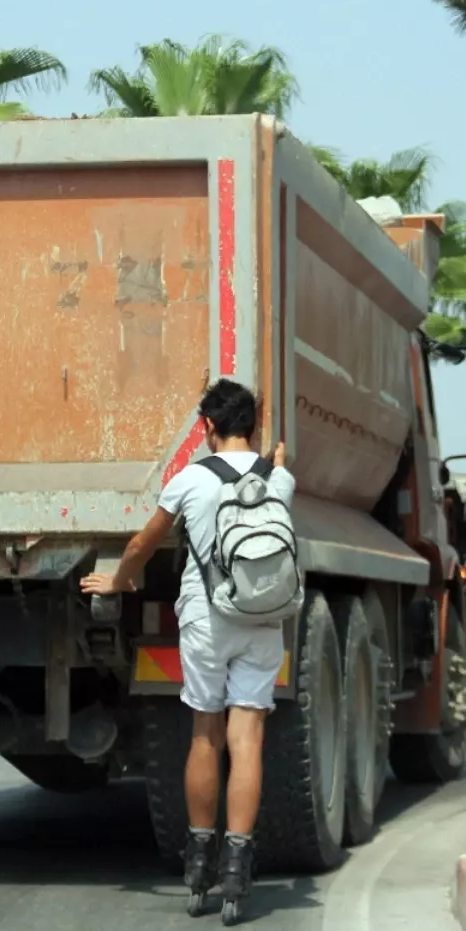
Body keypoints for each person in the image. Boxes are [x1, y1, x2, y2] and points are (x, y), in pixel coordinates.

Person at [80, 379, 295, 902]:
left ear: (206, 428)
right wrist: (277, 458)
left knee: (206, 733)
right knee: (249, 739)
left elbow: (143, 541)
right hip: (264, 617)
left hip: (206, 618)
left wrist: (120, 578)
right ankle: (239, 861)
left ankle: (199, 857)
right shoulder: (281, 479)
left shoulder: (190, 480)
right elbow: (277, 477)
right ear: (254, 426)